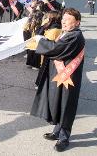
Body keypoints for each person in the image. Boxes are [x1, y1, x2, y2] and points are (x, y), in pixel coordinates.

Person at [30, 8, 85, 152]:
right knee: (57, 102)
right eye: (63, 19)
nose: (64, 21)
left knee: (66, 105)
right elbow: (57, 48)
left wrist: (42, 41)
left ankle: (64, 137)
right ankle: (57, 131)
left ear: (77, 22)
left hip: (69, 77)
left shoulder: (76, 36)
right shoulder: (65, 33)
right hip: (59, 75)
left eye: (68, 20)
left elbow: (57, 49)